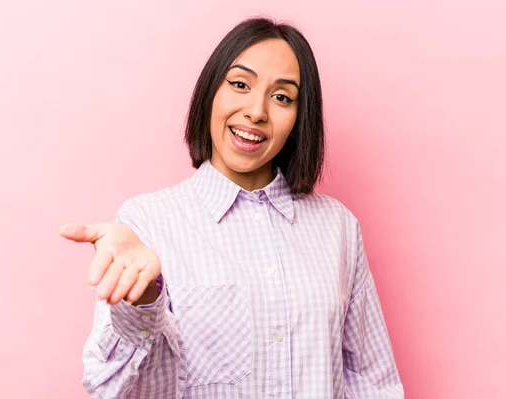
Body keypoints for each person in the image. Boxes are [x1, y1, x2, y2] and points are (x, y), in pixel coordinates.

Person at [59, 17, 404, 399]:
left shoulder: (337, 227)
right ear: (210, 94)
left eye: (282, 97)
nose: (257, 111)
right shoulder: (147, 224)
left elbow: (372, 382)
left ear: (298, 119)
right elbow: (111, 386)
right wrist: (143, 300)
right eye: (240, 85)